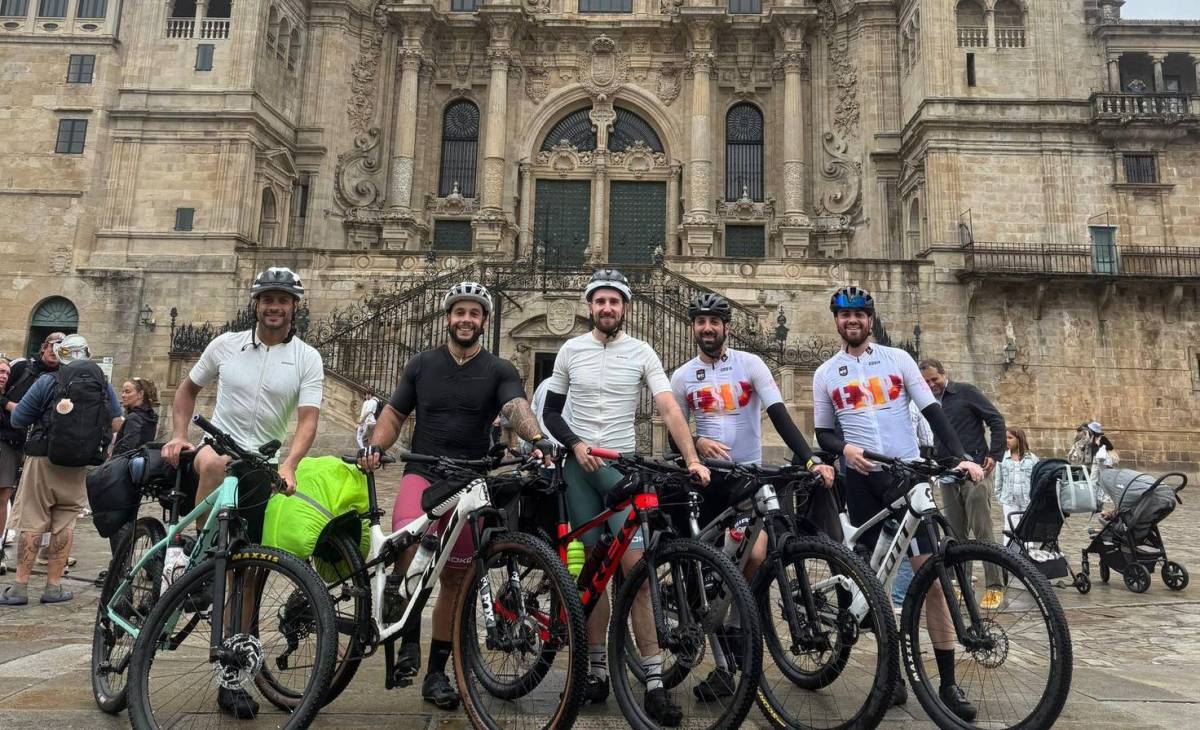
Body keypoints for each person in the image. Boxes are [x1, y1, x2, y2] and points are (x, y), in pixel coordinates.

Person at [359, 281, 554, 711]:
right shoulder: (422, 364)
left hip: (471, 479)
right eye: (459, 312)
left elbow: (516, 406)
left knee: (456, 579)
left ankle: (436, 674)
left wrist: (537, 438)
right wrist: (377, 445)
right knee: (409, 550)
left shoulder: (499, 369)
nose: (466, 320)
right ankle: (408, 638)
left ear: (484, 321)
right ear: (448, 318)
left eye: (475, 313)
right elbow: (394, 412)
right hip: (424, 472)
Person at [541, 268, 710, 726]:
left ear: (626, 309)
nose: (607, 308)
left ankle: (653, 680)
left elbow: (669, 406)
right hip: (579, 465)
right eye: (600, 301)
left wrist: (692, 457)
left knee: (637, 568)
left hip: (621, 464)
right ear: (590, 307)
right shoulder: (570, 350)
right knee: (596, 567)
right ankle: (596, 669)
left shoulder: (642, 351)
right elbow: (551, 413)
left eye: (614, 302)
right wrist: (575, 444)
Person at [812, 286, 983, 720]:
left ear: (870, 319)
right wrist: (845, 449)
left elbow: (932, 412)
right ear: (836, 321)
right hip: (863, 482)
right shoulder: (826, 373)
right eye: (845, 316)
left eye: (860, 315)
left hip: (906, 476)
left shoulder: (898, 360)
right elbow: (824, 434)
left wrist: (960, 456)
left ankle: (946, 682)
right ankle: (891, 675)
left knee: (933, 579)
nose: (852, 322)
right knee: (876, 586)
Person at [162, 266, 323, 719]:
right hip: (217, 447)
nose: (275, 307)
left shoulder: (307, 358)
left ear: (294, 307)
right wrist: (178, 435)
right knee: (214, 461)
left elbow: (308, 419)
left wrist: (289, 463)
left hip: (263, 464)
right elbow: (187, 390)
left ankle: (232, 677)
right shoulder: (225, 345)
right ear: (256, 304)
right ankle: (189, 548)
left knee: (247, 577)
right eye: (267, 299)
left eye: (283, 300)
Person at [669, 292, 834, 699]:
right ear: (694, 327)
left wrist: (810, 459)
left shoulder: (750, 364)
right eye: (700, 322)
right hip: (708, 482)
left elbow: (780, 414)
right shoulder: (683, 376)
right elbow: (674, 438)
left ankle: (738, 631)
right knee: (708, 573)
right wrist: (696, 442)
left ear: (726, 327)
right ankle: (724, 662)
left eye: (714, 322)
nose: (707, 328)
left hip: (749, 476)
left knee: (756, 556)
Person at [0, 335, 122, 606]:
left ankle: (20, 587)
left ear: (61, 354)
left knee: (32, 521)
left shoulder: (49, 380)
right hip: (79, 463)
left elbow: (19, 418)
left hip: (43, 457)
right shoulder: (103, 384)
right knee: (65, 524)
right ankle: (53, 587)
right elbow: (116, 422)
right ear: (87, 353)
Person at [918, 358, 1007, 609]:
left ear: (944, 374)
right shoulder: (925, 403)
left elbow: (996, 420)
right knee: (955, 536)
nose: (931, 384)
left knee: (982, 530)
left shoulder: (965, 392)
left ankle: (994, 585)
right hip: (947, 475)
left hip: (975, 470)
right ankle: (962, 586)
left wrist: (995, 455)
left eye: (934, 379)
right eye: (926, 382)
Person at [995, 428, 1037, 544]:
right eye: (1006, 438)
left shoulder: (1032, 459)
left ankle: (1026, 554)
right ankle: (1009, 554)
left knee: (1027, 527)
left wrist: (1034, 498)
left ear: (1019, 439)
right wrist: (1001, 498)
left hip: (1027, 500)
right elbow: (998, 481)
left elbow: (1036, 480)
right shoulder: (1002, 458)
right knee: (1010, 527)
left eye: (1010, 438)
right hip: (1009, 500)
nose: (1007, 440)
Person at [0, 359, 19, 575]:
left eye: (6, 372)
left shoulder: (13, 398)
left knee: (3, 496)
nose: (3, 375)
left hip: (6, 449)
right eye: (0, 371)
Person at [113, 377, 160, 455]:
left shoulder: (134, 417)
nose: (123, 395)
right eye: (123, 392)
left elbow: (128, 448)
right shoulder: (149, 415)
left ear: (140, 394)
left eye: (127, 392)